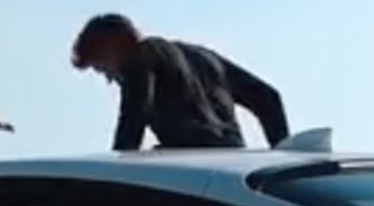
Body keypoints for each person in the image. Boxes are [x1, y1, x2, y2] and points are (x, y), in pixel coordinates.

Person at [70, 12, 289, 152]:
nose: (110, 78)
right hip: (229, 168)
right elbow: (267, 97)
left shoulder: (141, 55)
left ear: (114, 47)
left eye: (102, 67)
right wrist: (283, 156)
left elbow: (135, 114)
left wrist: (116, 175)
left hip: (191, 173)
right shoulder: (203, 56)